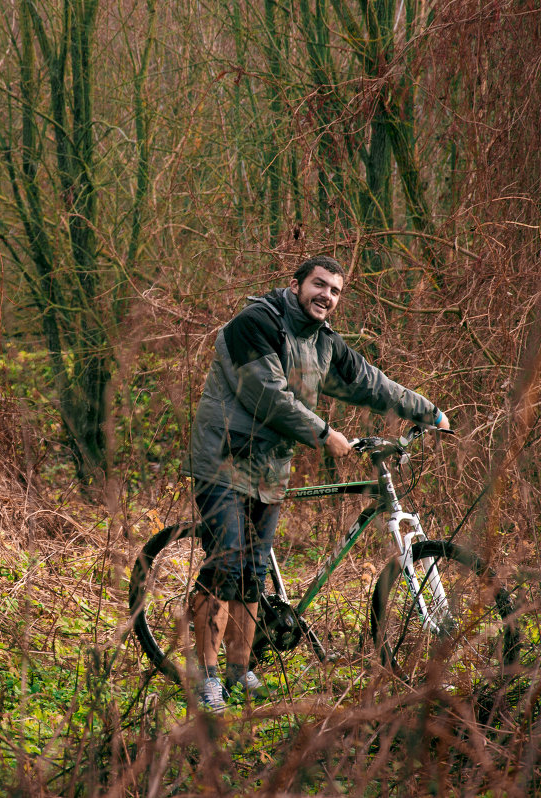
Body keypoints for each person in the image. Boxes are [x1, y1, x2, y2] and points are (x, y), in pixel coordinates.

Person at [183, 255, 450, 710]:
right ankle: (206, 681)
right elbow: (266, 394)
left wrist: (427, 411)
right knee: (225, 569)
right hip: (224, 460)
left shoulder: (324, 344)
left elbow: (370, 383)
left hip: (270, 471)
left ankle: (239, 671)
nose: (326, 295)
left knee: (252, 576)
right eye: (318, 285)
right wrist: (325, 434)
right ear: (296, 284)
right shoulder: (254, 324)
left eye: (335, 290)